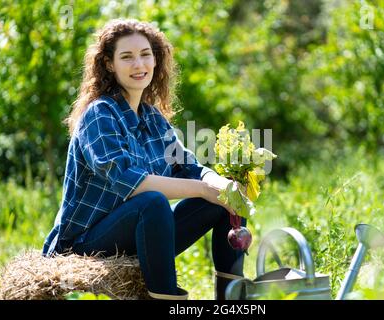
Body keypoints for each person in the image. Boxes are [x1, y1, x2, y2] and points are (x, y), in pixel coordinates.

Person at [42, 19, 246, 300]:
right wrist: (201, 189)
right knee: (151, 201)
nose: (139, 64)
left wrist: (221, 185)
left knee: (226, 198)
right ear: (109, 64)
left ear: (156, 59)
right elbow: (131, 183)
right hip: (84, 244)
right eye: (127, 57)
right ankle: (169, 299)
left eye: (145, 54)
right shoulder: (100, 114)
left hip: (139, 235)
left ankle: (232, 299)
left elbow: (188, 167)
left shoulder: (153, 118)